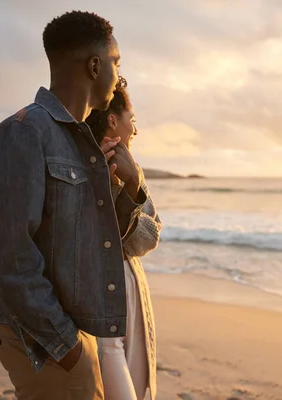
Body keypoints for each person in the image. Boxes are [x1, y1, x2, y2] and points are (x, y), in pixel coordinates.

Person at [0, 11, 147, 400]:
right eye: (116, 62)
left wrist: (127, 186)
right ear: (94, 64)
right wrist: (67, 346)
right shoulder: (23, 133)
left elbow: (96, 241)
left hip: (67, 332)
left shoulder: (81, 143)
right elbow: (4, 255)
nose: (118, 75)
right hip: (40, 339)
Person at [87, 77, 162, 400]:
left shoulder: (134, 171)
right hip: (100, 296)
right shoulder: (84, 166)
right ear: (114, 120)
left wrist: (133, 184)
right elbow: (95, 238)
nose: (136, 129)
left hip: (133, 290)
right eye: (133, 119)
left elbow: (148, 238)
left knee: (138, 380)